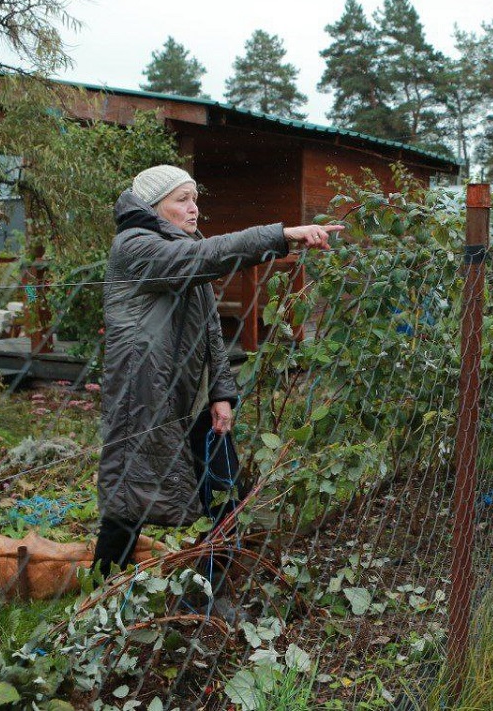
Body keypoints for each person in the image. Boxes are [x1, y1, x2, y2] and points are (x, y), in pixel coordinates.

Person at [93, 165, 341, 608]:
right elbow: (205, 257)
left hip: (196, 399)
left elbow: (210, 329)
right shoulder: (135, 247)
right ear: (155, 208)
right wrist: (281, 234)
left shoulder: (181, 244)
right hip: (145, 402)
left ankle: (204, 595)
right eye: (183, 200)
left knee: (223, 499)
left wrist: (223, 392)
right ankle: (96, 595)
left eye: (195, 198)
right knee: (127, 506)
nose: (194, 208)